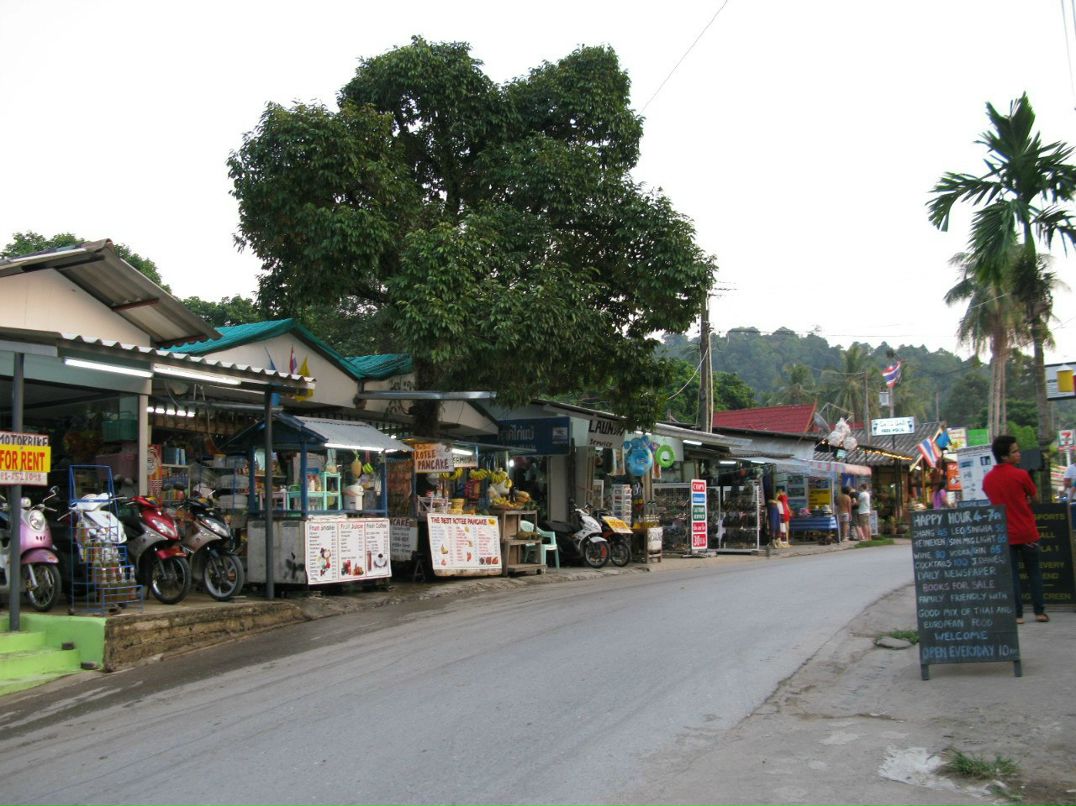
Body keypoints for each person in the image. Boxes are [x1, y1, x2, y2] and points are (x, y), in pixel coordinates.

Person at [982, 435, 1048, 624]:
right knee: (1034, 573)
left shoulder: (988, 480)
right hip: (1027, 532)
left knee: (1012, 576)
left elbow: (994, 501)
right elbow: (1036, 499)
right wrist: (1025, 499)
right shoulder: (1021, 475)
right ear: (1004, 456)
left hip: (1005, 534)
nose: (1019, 454)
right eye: (1015, 451)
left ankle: (1017, 615)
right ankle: (1039, 612)